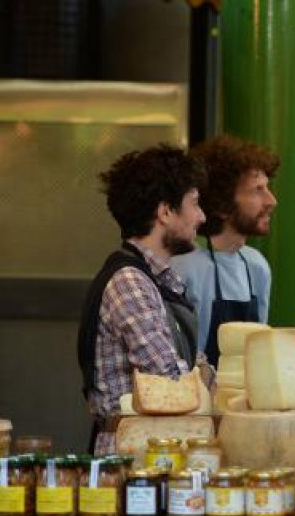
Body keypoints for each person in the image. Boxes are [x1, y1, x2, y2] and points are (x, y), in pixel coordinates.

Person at [77, 144, 213, 454]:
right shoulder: (130, 283)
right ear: (165, 212)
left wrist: (200, 375)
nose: (201, 217)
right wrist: (198, 378)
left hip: (157, 449)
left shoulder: (157, 281)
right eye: (194, 204)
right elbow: (174, 384)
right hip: (132, 458)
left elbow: (200, 366)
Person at [171, 134, 278, 366]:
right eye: (256, 190)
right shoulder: (184, 268)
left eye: (267, 188)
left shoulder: (257, 266)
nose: (271, 200)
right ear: (221, 204)